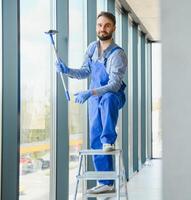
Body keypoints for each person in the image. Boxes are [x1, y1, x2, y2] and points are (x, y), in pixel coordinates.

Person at [56, 11, 127, 194]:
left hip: (113, 96)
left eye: (107, 25)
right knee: (95, 137)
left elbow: (114, 84)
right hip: (95, 98)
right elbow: (85, 71)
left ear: (113, 28)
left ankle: (109, 139)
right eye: (99, 25)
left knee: (108, 100)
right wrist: (67, 70)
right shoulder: (92, 48)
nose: (102, 29)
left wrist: (90, 91)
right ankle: (106, 182)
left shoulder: (117, 54)